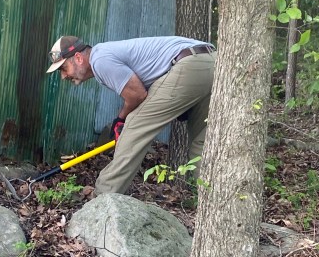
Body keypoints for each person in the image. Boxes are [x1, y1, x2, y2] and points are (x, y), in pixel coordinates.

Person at [46, 34, 216, 195]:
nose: (63, 76)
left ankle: (103, 196)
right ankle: (213, 200)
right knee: (202, 144)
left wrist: (121, 119)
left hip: (188, 65)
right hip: (212, 61)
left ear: (78, 58)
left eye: (63, 68)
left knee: (134, 127)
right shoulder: (105, 54)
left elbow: (137, 94)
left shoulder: (99, 60)